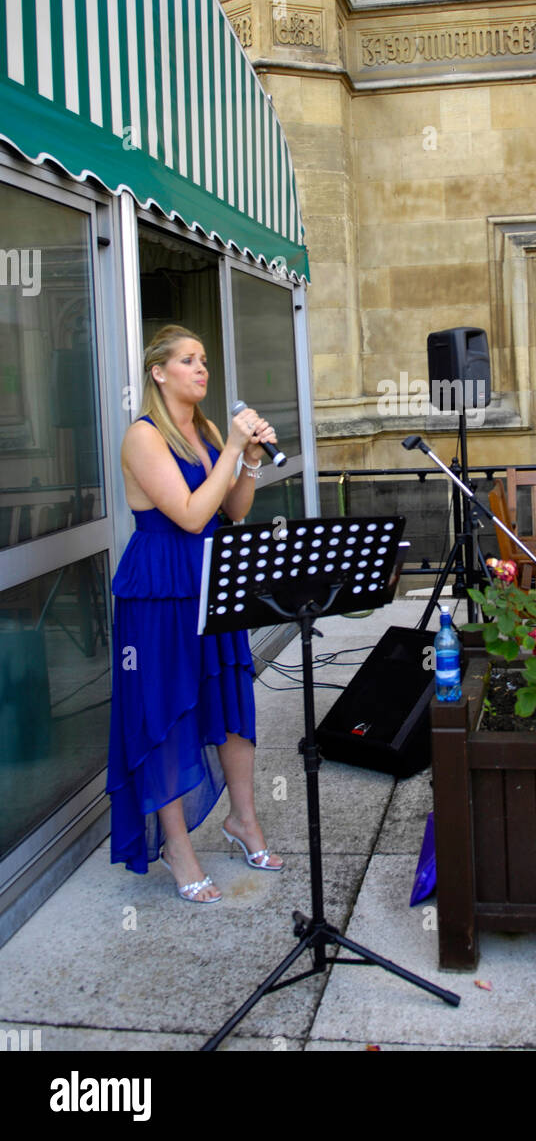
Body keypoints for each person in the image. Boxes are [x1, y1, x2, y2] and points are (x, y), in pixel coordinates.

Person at [107, 324, 284, 903]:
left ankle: (244, 820)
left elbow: (229, 510)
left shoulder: (205, 428)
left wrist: (250, 460)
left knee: (230, 700)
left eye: (204, 359)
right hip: (161, 586)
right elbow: (186, 514)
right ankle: (176, 847)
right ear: (159, 373)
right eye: (188, 360)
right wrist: (231, 450)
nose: (201, 369)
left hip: (211, 578)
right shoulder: (143, 436)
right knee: (167, 711)